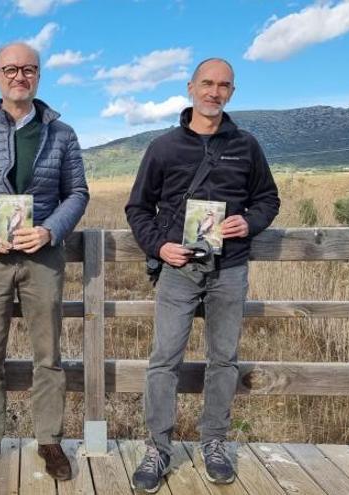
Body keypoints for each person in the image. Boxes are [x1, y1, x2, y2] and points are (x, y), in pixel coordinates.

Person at [124, 58, 280, 493]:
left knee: (224, 360)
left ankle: (214, 443)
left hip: (229, 269)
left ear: (232, 92)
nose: (214, 92)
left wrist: (249, 222)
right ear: (191, 87)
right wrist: (160, 246)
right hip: (178, 270)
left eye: (224, 86)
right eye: (207, 84)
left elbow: (268, 199)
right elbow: (138, 208)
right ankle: (158, 448)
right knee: (163, 361)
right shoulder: (164, 147)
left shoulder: (247, 146)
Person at [0, 41, 89, 481]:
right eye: (9, 69)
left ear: (39, 77)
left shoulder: (62, 134)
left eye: (28, 69)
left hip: (43, 256)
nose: (18, 76)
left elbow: (78, 193)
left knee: (48, 355)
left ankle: (49, 440)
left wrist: (50, 230)